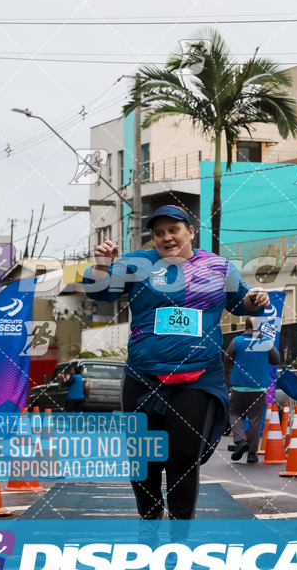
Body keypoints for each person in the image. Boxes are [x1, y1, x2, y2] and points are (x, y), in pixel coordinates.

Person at [83, 204, 269, 534]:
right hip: (143, 374)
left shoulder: (218, 266)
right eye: (158, 233)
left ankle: (181, 528)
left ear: (190, 231)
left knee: (183, 453)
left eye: (174, 230)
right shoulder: (136, 264)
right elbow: (99, 295)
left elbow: (241, 303)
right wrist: (101, 264)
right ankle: (150, 517)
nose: (166, 237)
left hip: (197, 375)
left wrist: (256, 299)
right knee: (143, 457)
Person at [223, 316, 280, 464]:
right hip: (259, 386)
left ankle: (241, 441)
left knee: (234, 413)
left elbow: (227, 360)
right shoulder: (266, 342)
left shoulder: (237, 341)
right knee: (255, 419)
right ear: (259, 327)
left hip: (239, 386)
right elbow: (276, 360)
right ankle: (252, 454)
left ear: (245, 327)